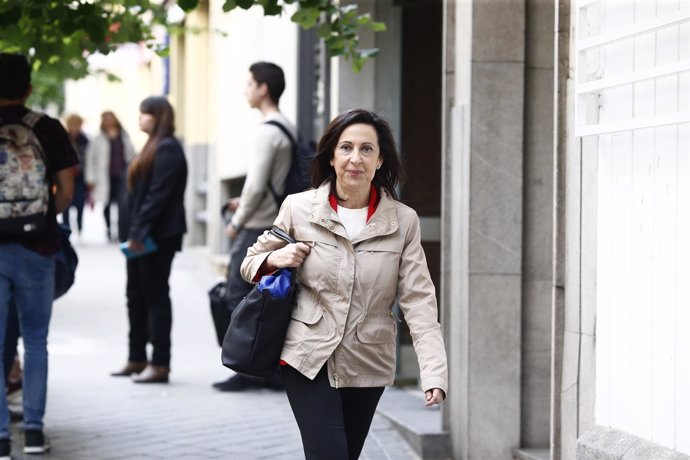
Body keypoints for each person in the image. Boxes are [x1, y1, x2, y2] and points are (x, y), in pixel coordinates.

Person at [240, 109, 448, 460]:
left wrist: (434, 372)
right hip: (307, 356)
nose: (356, 158)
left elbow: (419, 301)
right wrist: (276, 259)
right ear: (332, 156)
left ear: (380, 160)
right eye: (346, 147)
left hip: (367, 362)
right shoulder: (298, 208)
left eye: (367, 149)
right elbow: (249, 264)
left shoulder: (403, 221)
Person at [0, 52, 77, 457]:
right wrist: (42, 215)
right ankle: (32, 432)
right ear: (28, 88)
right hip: (37, 247)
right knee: (36, 341)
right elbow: (66, 191)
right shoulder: (46, 128)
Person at [213, 61, 297, 392]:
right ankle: (267, 368)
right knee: (266, 297)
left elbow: (256, 185)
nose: (245, 90)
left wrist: (237, 221)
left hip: (258, 227)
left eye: (249, 84)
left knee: (238, 291)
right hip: (276, 222)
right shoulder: (287, 126)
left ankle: (249, 369)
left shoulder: (265, 131)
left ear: (263, 88)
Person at [110, 96, 187, 384]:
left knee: (155, 297)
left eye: (145, 114)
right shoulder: (151, 147)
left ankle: (160, 362)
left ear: (158, 117)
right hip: (140, 237)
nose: (140, 118)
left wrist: (139, 234)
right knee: (135, 296)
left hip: (156, 237)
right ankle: (136, 356)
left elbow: (158, 196)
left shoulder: (168, 149)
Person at [85, 110, 135, 241]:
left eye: (110, 119)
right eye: (105, 119)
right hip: (105, 177)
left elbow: (131, 154)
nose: (108, 122)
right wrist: (90, 178)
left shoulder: (123, 136)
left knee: (122, 204)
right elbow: (91, 159)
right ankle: (108, 229)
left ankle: (120, 231)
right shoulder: (98, 138)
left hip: (122, 176)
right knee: (106, 205)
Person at [61, 114, 89, 234]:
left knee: (79, 202)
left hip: (80, 176)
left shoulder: (85, 140)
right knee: (66, 202)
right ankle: (66, 226)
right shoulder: (63, 138)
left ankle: (79, 225)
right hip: (66, 174)